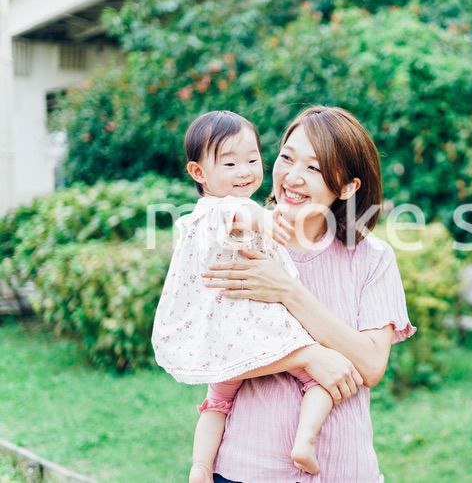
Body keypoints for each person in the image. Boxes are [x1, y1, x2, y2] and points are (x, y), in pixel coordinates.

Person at [201, 105, 416, 482]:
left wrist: (287, 290)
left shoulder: (373, 259)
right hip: (249, 468)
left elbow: (370, 365)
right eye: (287, 158)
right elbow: (216, 356)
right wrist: (310, 357)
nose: (292, 177)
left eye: (313, 168)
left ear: (348, 186)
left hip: (344, 469)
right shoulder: (237, 241)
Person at [150, 110, 339, 483]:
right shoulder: (229, 207)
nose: (245, 171)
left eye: (253, 160)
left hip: (222, 332)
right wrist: (268, 221)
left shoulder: (202, 215)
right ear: (198, 173)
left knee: (217, 402)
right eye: (231, 163)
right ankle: (305, 440)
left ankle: (201, 465)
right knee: (318, 380)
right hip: (254, 326)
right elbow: (245, 217)